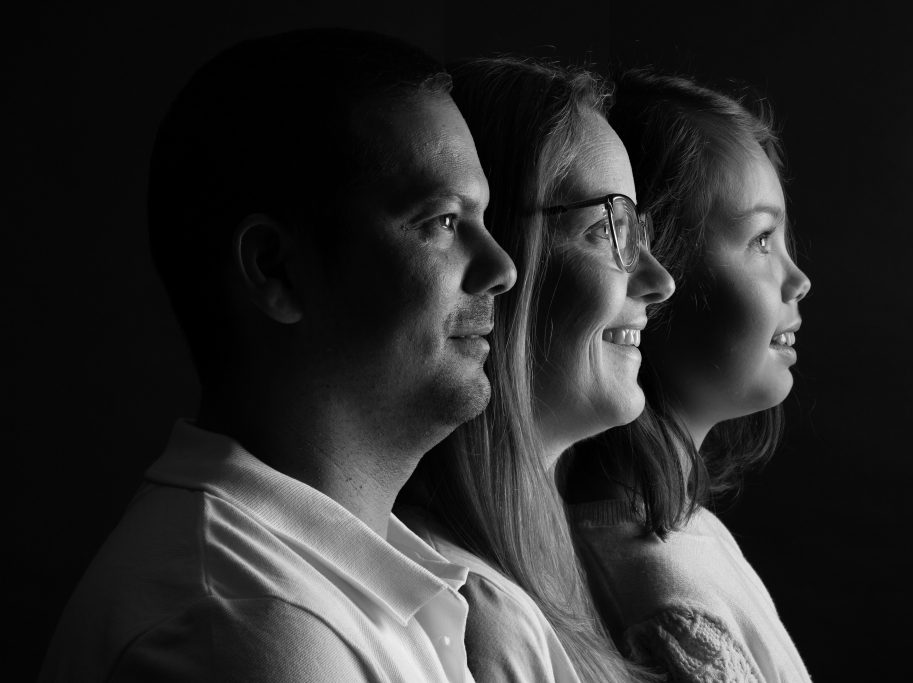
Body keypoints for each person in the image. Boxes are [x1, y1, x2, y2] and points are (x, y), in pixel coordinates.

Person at [39, 28, 516, 682]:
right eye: (442, 221)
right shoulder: (245, 630)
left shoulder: (331, 588)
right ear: (276, 270)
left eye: (484, 219)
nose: (502, 268)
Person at [397, 57, 675, 682]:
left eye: (642, 231)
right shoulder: (478, 623)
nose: (660, 281)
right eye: (612, 229)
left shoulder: (578, 568)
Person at [562, 68, 814, 682]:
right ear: (653, 274)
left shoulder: (685, 533)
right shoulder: (662, 600)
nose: (798, 280)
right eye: (760, 240)